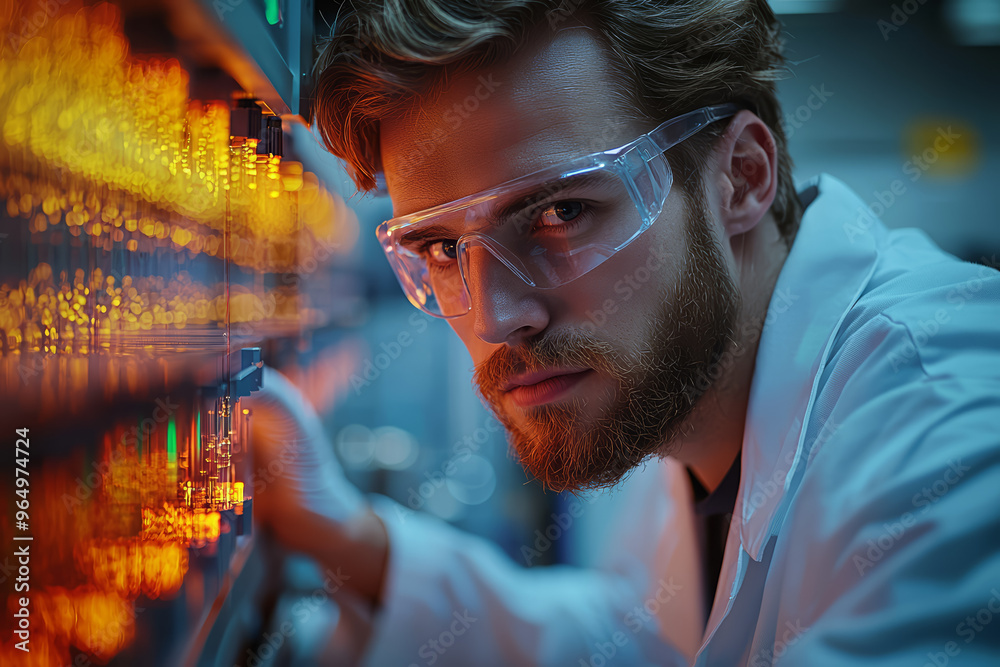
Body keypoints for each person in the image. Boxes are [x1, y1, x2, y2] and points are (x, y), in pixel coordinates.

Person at [247, 1, 1000, 664]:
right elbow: (641, 641)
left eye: (560, 213)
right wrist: (349, 538)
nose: (495, 316)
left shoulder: (953, 427)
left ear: (740, 175)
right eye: (443, 249)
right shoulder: (688, 394)